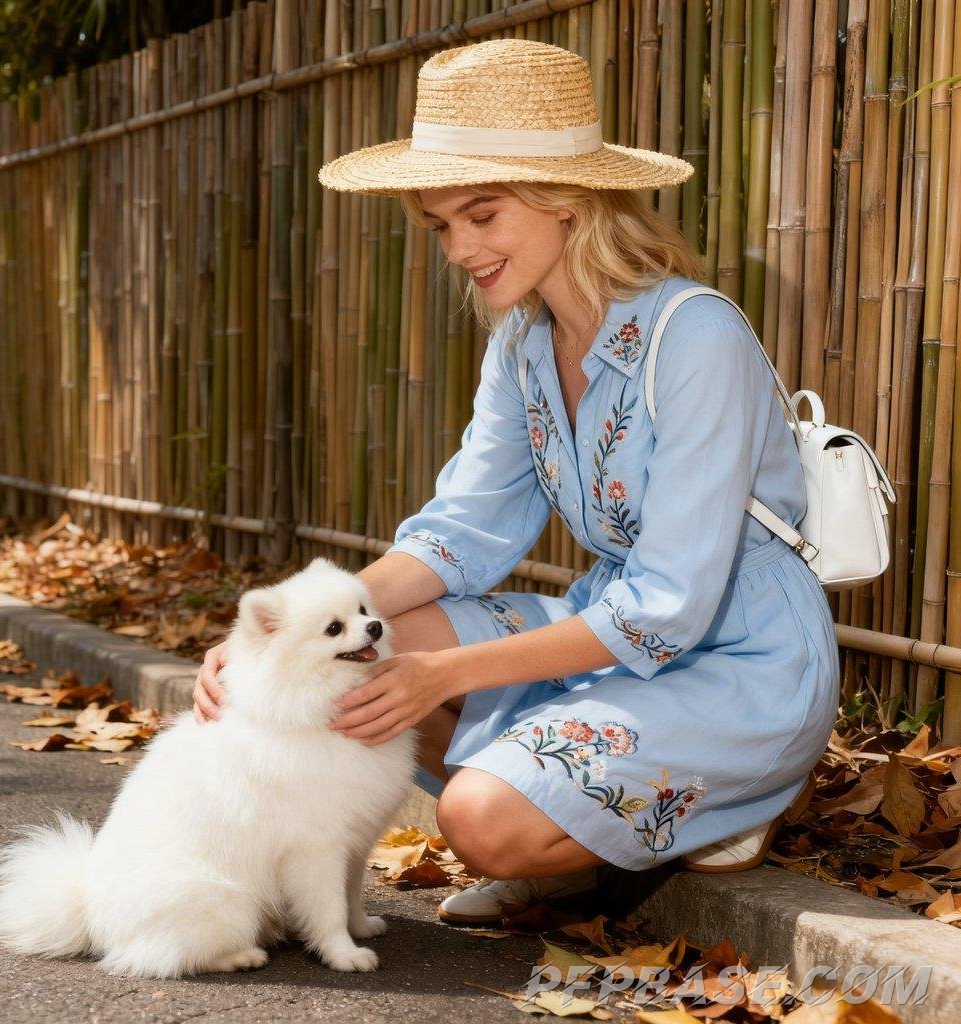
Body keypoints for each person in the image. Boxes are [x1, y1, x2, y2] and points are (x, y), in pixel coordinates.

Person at [192, 38, 839, 925]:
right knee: (366, 649)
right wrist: (282, 635)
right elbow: (459, 532)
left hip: (741, 659)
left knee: (477, 821)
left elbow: (667, 605)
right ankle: (570, 835)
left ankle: (741, 790)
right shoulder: (524, 347)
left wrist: (444, 673)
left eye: (483, 214)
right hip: (606, 631)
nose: (460, 247)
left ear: (567, 198)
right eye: (442, 224)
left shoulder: (696, 337)